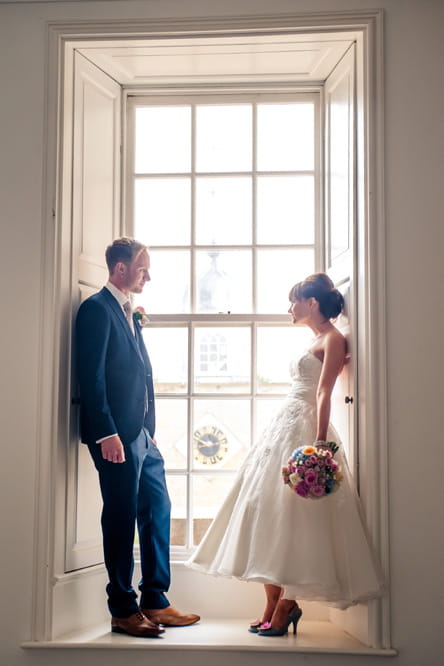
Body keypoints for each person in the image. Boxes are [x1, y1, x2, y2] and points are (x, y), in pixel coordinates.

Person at [187, 273, 384, 637]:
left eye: (294, 301)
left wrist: (320, 444)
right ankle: (271, 603)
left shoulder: (335, 339)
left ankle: (287, 603)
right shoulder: (315, 340)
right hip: (283, 424)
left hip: (305, 428)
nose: (290, 308)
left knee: (294, 518)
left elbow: (324, 393)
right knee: (265, 510)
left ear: (312, 303)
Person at [76, 237, 199, 638]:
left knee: (157, 507)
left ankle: (155, 601)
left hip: (143, 435)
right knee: (120, 516)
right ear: (121, 268)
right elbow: (92, 379)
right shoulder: (95, 310)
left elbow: (139, 373)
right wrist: (108, 432)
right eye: (143, 268)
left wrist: (148, 429)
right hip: (114, 436)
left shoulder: (129, 310)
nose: (149, 275)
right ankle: (123, 609)